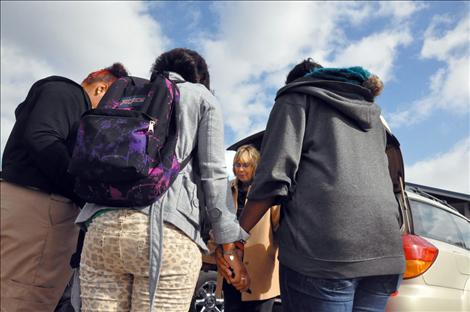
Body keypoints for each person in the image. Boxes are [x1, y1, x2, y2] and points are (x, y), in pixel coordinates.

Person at [75, 48, 250, 312]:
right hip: (167, 233)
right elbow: (213, 173)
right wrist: (228, 246)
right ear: (199, 76)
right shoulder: (199, 96)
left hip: (101, 229)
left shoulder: (125, 93)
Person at [237, 59, 405, 311]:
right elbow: (393, 179)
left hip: (324, 252)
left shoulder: (296, 97)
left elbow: (273, 178)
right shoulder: (375, 117)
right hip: (385, 252)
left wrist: (236, 236)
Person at [0, 63, 129, 311]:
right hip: (40, 212)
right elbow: (42, 137)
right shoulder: (68, 93)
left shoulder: (51, 97)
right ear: (102, 88)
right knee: (24, 299)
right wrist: (85, 190)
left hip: (21, 205)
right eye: (113, 103)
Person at [214, 145, 280, 312]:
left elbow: (279, 225)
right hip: (231, 270)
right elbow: (216, 223)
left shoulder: (267, 191)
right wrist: (214, 248)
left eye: (245, 165)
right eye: (237, 164)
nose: (240, 169)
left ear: (255, 166)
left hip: (260, 269)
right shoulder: (226, 189)